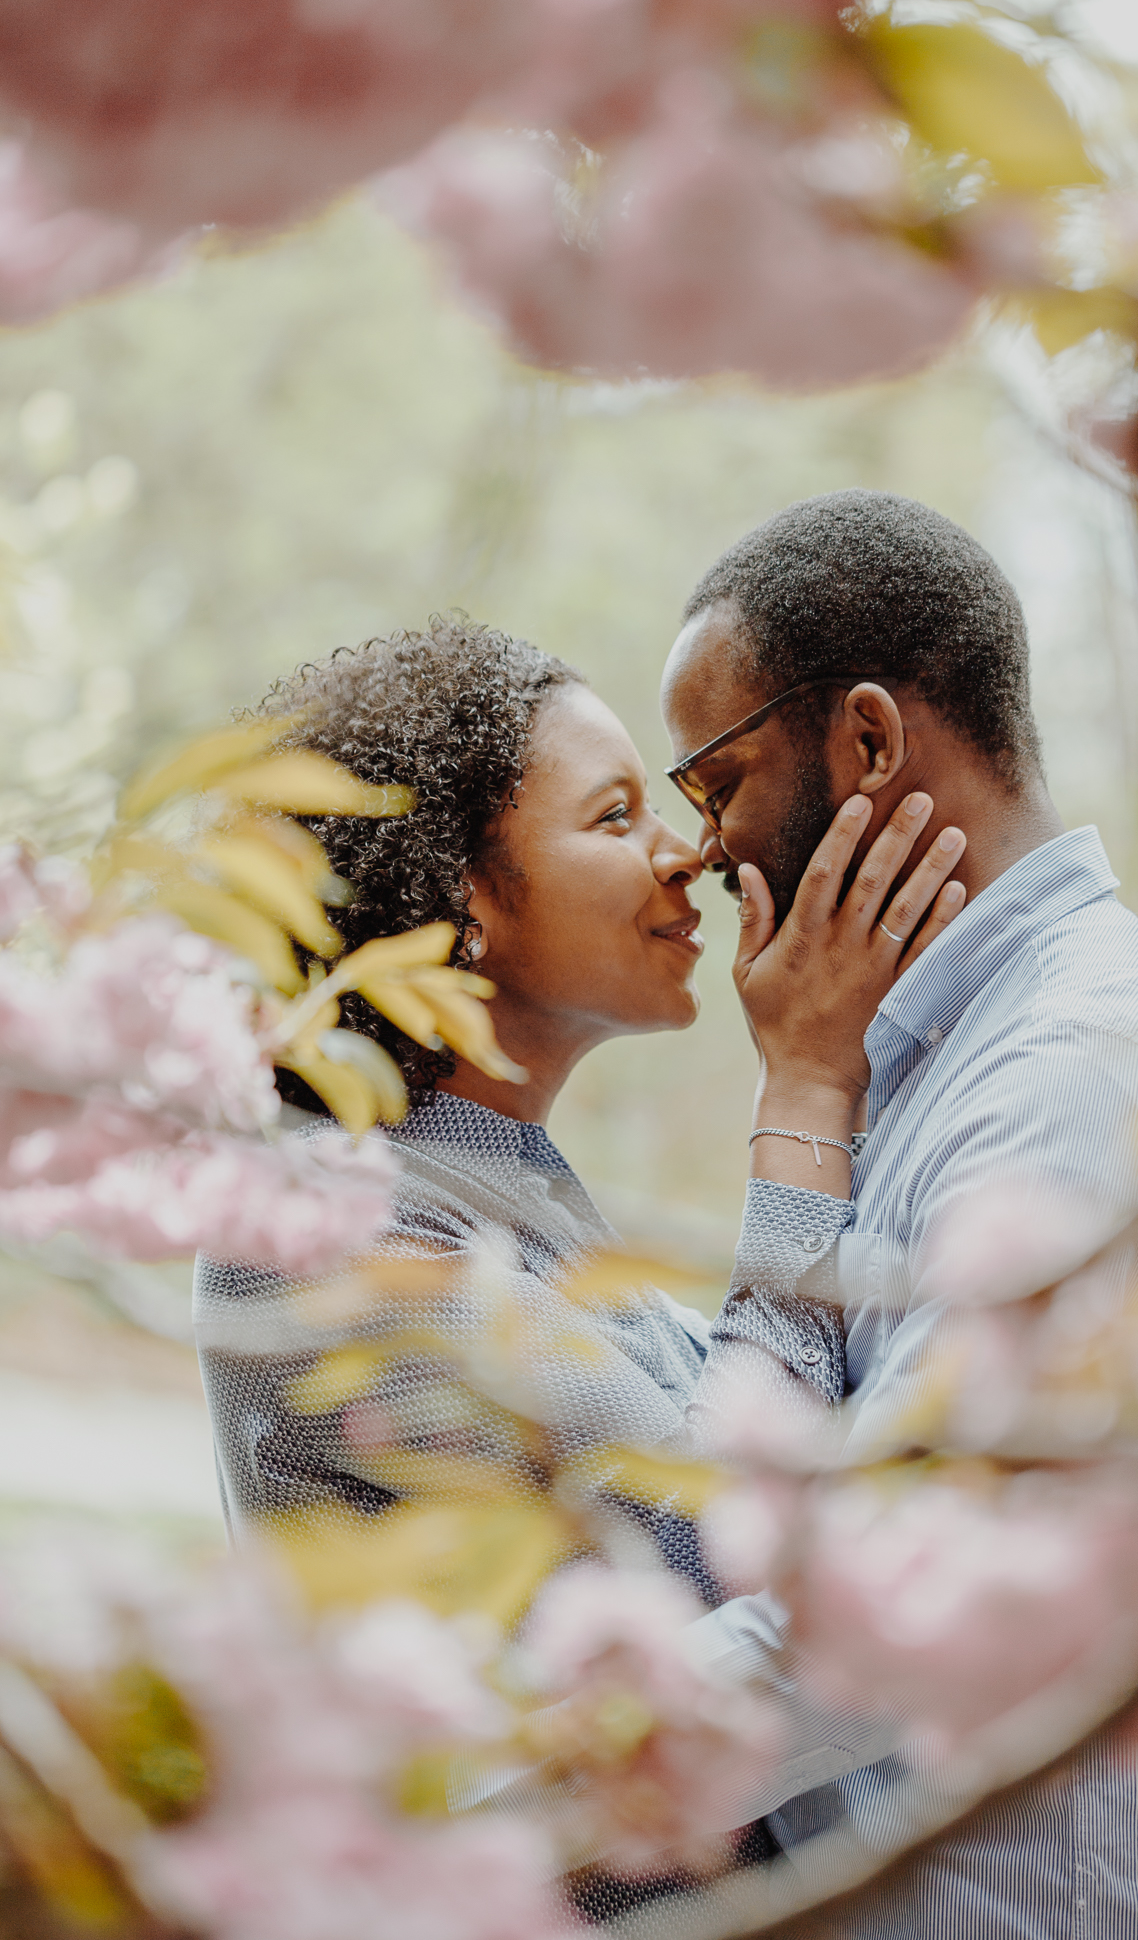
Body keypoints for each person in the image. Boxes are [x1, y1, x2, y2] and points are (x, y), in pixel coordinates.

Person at [191, 617, 965, 1905]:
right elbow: (732, 1566)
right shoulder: (339, 1243)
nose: (691, 855)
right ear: (463, 897)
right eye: (614, 820)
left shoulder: (480, 1191)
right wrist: (806, 1092)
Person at [659, 488, 1138, 1936]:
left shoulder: (1065, 1075)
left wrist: (478, 1776)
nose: (702, 853)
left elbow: (904, 1582)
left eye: (712, 783)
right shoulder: (925, 1058)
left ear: (869, 742)